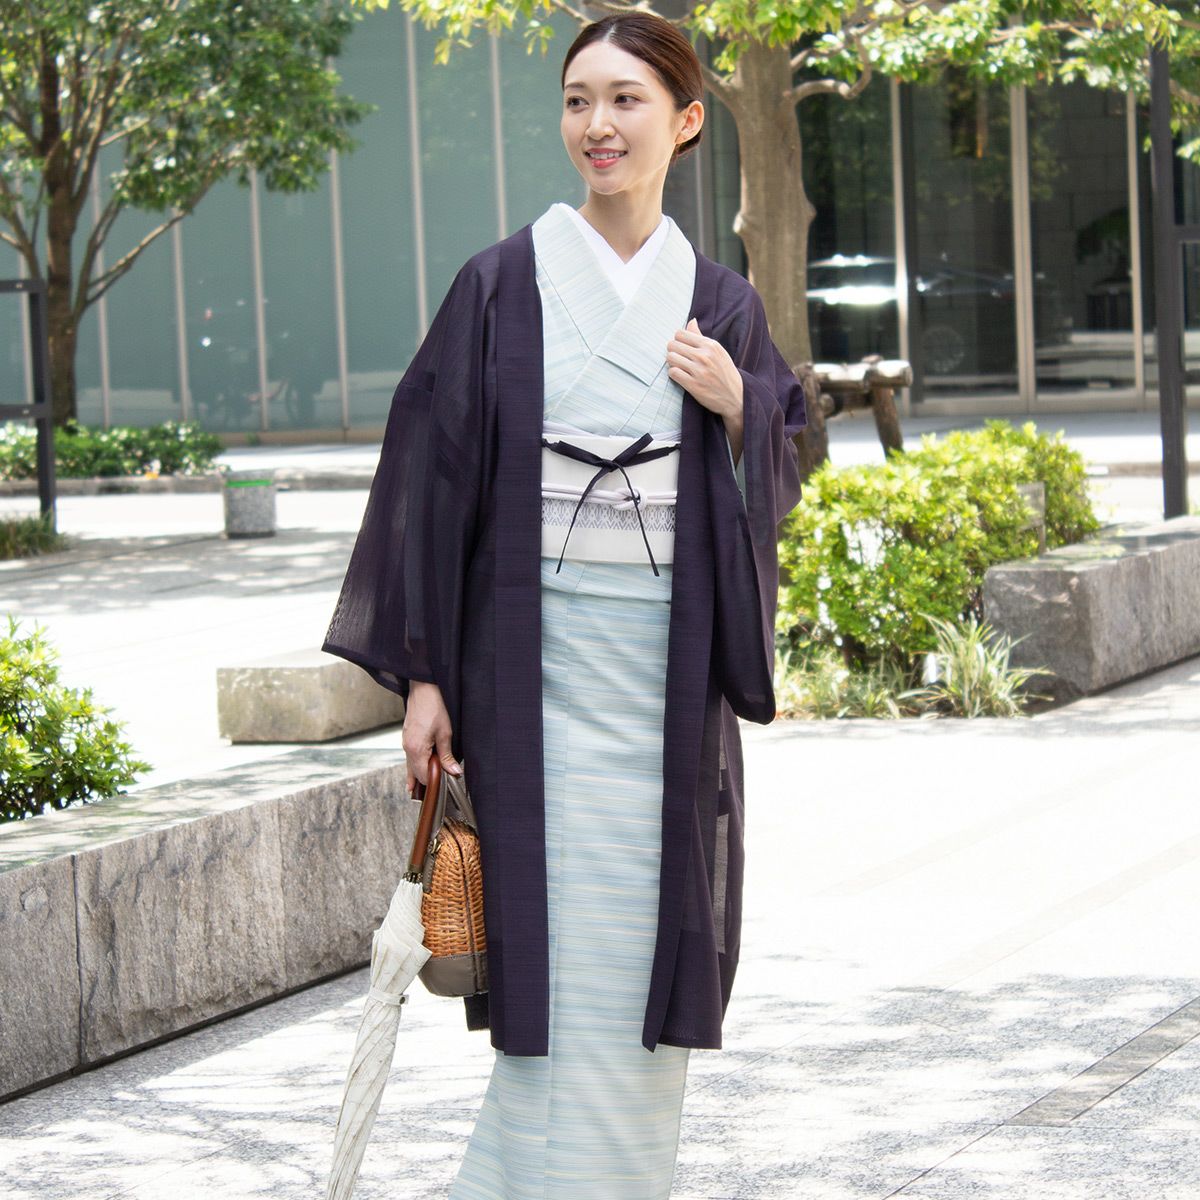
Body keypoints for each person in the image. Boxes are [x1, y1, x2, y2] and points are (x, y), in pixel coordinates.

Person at [321, 11, 807, 1197]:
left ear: (686, 122)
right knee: (555, 958)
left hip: (661, 688)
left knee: (645, 950)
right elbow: (431, 477)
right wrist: (425, 674)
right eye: (579, 99)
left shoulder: (720, 304)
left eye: (627, 100)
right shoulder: (501, 283)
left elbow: (786, 451)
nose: (599, 124)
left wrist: (739, 404)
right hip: (529, 681)